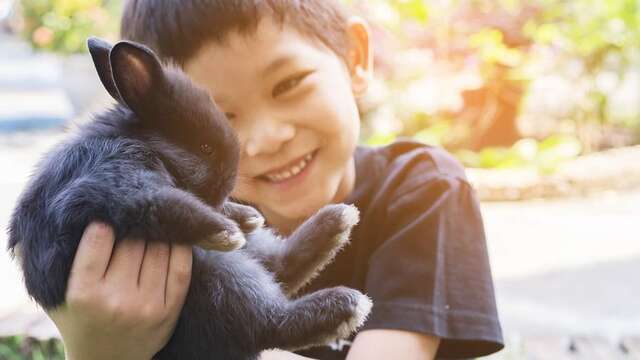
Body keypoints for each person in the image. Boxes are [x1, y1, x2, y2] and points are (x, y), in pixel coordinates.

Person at [47, 1, 504, 359]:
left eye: (288, 85)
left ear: (355, 58)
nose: (263, 140)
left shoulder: (423, 190)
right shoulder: (185, 222)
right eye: (222, 118)